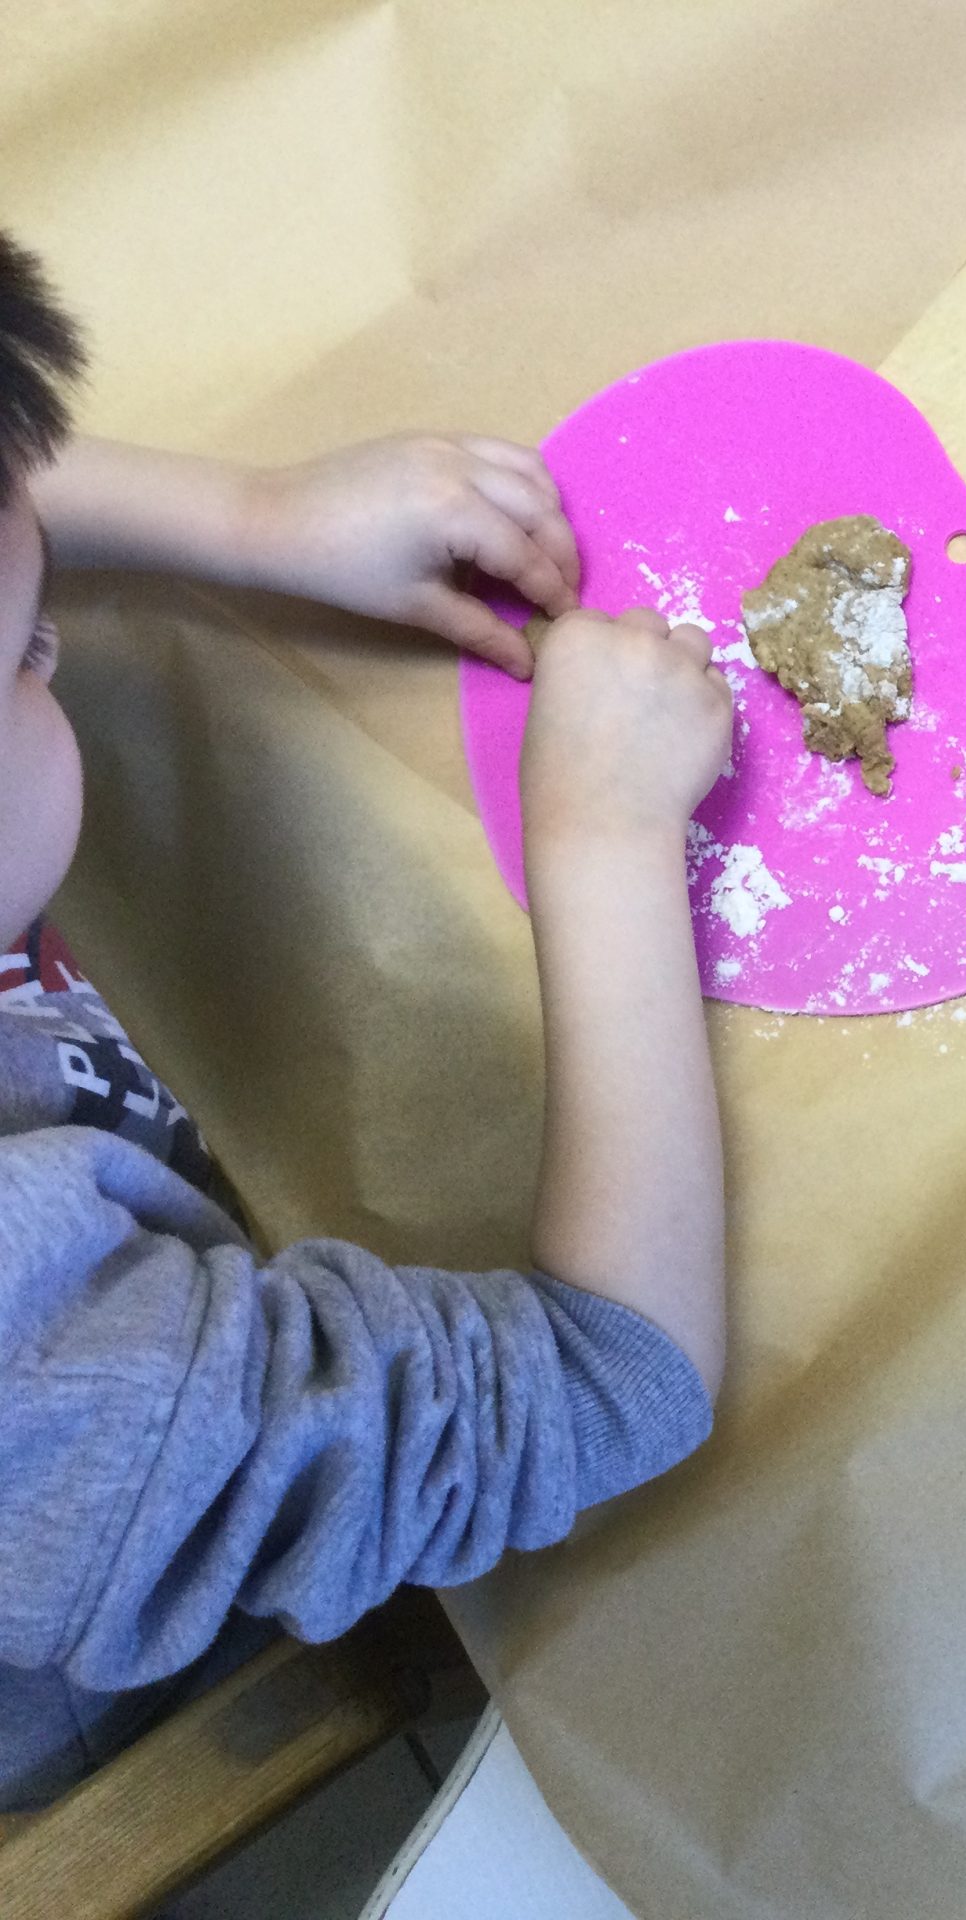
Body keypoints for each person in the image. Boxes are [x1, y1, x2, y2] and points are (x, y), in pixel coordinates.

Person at [0, 233, 736, 1804]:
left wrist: (248, 516)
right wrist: (606, 839)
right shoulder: (46, 1393)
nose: (56, 635)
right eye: (21, 658)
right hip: (100, 1623)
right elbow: (615, 1381)